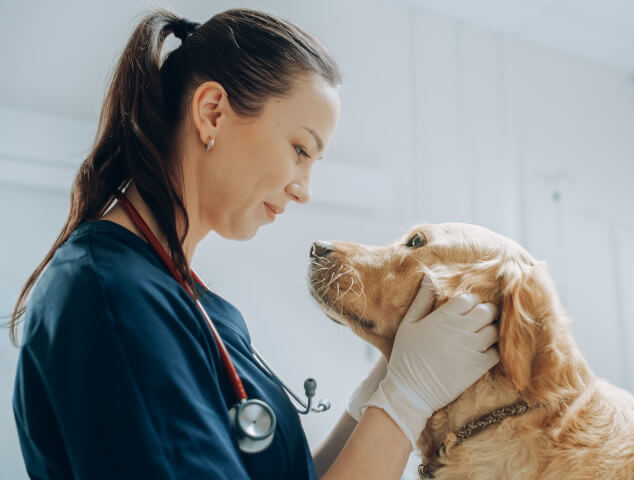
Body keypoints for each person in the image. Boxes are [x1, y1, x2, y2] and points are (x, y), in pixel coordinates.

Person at [9, 8, 500, 480]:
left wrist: (377, 396)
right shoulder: (111, 297)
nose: (304, 189)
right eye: (300, 149)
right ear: (213, 113)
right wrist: (406, 399)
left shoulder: (194, 304)